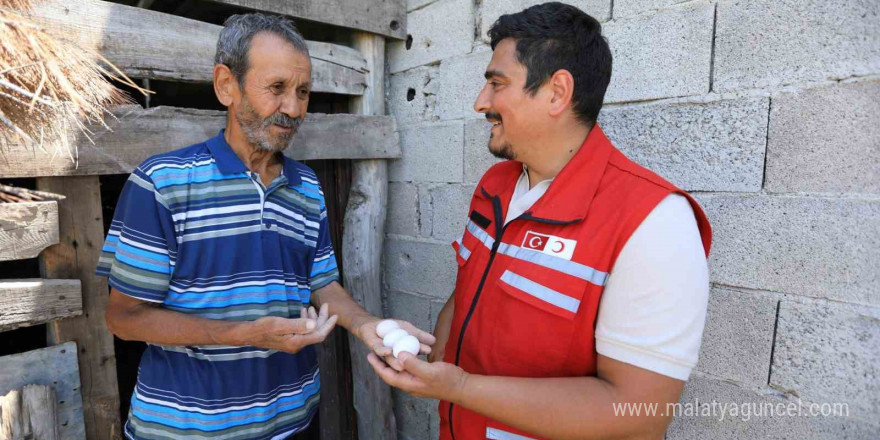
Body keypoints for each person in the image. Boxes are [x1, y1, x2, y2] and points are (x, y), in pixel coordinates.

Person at [368, 3, 712, 439]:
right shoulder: (494, 186)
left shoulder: (654, 222)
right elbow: (468, 293)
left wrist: (459, 387)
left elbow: (639, 413)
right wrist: (426, 363)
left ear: (556, 92)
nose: (480, 103)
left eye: (497, 84)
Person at [98, 13, 433, 440]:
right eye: (276, 88)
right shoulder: (162, 183)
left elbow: (324, 285)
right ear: (226, 85)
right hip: (185, 431)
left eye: (303, 92)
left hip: (293, 424)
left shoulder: (306, 186)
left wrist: (369, 326)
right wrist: (244, 334)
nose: (293, 108)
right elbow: (125, 319)